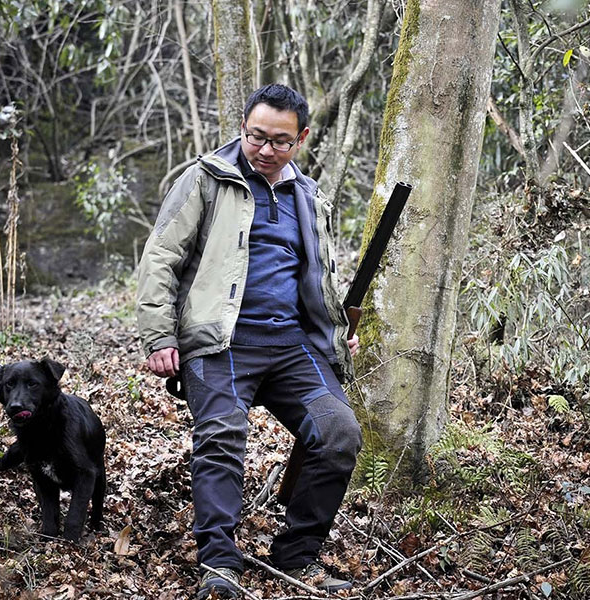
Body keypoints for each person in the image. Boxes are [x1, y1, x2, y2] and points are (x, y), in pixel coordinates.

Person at [136, 84, 362, 599]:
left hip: (291, 345)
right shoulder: (205, 180)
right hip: (219, 343)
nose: (265, 149)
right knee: (221, 435)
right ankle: (219, 565)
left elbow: (318, 278)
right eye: (256, 136)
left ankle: (297, 556)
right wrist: (158, 336)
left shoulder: (308, 197)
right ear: (242, 127)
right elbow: (160, 257)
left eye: (279, 141)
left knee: (339, 435)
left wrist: (332, 332)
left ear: (301, 139)